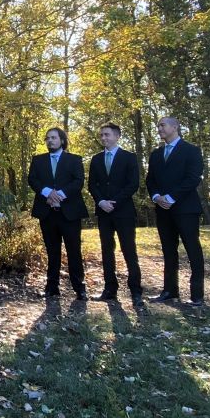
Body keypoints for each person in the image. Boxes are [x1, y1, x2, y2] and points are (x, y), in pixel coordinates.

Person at [146, 116, 206, 306]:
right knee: (168, 251)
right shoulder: (156, 154)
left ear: (175, 126)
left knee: (192, 249)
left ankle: (197, 294)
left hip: (185, 208)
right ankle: (170, 290)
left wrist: (171, 197)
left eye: (163, 125)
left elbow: (193, 178)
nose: (159, 129)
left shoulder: (192, 150)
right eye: (158, 126)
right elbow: (150, 180)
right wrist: (156, 197)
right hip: (163, 210)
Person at [87, 123, 143, 308]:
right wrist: (101, 201)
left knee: (129, 250)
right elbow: (92, 185)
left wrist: (115, 202)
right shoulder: (96, 159)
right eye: (101, 135)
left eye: (107, 134)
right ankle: (110, 289)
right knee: (106, 250)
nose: (104, 138)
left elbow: (133, 184)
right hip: (103, 212)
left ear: (117, 136)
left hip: (123, 211)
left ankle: (136, 291)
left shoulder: (129, 157)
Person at [27, 127, 87, 300]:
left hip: (69, 213)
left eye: (53, 137)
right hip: (47, 213)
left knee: (74, 250)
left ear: (62, 140)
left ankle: (79, 288)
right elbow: (33, 179)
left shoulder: (74, 160)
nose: (50, 140)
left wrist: (59, 195)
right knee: (52, 251)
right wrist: (47, 192)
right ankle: (52, 287)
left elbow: (78, 181)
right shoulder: (38, 160)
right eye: (47, 138)